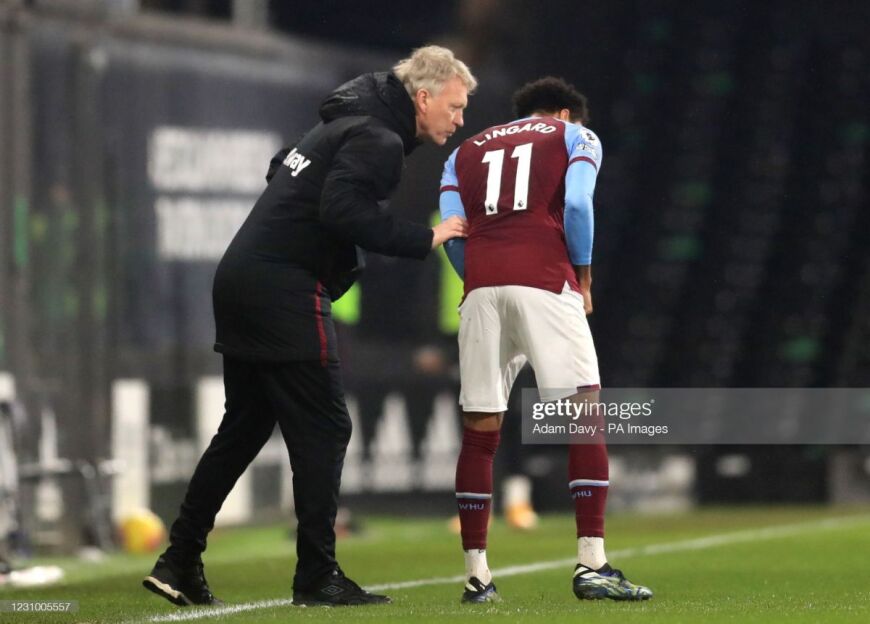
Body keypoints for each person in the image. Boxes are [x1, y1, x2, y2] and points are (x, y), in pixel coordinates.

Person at [143, 45, 475, 608]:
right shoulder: (379, 139)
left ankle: (179, 559)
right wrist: (428, 237)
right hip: (284, 291)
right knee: (327, 428)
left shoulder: (341, 125)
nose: (460, 118)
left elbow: (280, 168)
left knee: (244, 427)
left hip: (241, 277)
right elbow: (341, 211)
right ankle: (317, 575)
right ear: (423, 98)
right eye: (456, 105)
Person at [439, 77, 652, 603]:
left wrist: (480, 279)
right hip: (545, 279)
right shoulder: (575, 135)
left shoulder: (462, 153)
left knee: (480, 431)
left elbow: (453, 233)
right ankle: (592, 564)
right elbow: (577, 204)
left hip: (481, 290)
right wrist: (583, 277)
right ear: (563, 112)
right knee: (585, 416)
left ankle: (477, 578)